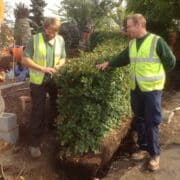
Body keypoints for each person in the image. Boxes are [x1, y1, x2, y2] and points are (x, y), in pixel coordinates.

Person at [96, 14, 176, 171]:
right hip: (136, 88)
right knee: (139, 119)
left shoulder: (156, 41)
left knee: (151, 121)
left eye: (129, 26)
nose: (127, 30)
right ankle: (144, 148)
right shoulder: (132, 44)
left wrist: (159, 75)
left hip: (152, 90)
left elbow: (170, 61)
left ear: (139, 25)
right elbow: (123, 58)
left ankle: (155, 155)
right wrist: (109, 63)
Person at [22, 17, 66, 158]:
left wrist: (58, 66)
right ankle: (34, 143)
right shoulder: (34, 39)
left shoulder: (60, 40)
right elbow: (24, 59)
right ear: (45, 27)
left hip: (54, 79)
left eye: (55, 31)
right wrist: (42, 68)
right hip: (38, 81)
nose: (53, 34)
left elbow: (64, 57)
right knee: (38, 110)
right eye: (50, 30)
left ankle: (52, 132)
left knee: (55, 105)